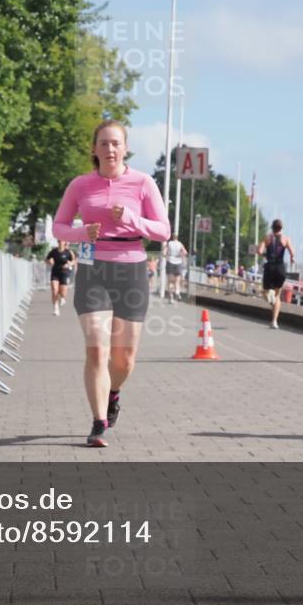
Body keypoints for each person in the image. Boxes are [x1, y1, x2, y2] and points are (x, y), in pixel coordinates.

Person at [53, 120, 171, 447]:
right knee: (97, 350)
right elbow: (59, 228)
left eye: (116, 143)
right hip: (93, 270)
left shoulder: (143, 183)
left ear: (126, 148)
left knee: (124, 359)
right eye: (103, 143)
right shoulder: (80, 185)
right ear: (94, 149)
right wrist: (81, 233)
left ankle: (113, 393)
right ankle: (98, 422)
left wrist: (131, 219)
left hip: (131, 270)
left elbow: (163, 231)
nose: (110, 149)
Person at [258, 219, 296, 329]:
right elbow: (292, 253)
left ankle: (270, 297)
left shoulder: (267, 238)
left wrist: (266, 254)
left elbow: (260, 251)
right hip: (280, 268)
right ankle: (274, 321)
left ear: (272, 227)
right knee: (277, 296)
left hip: (270, 267)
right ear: (281, 228)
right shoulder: (286, 239)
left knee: (266, 292)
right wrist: (292, 258)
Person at [45, 241, 76, 316]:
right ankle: (56, 308)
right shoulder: (54, 251)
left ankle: (62, 297)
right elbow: (46, 259)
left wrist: (69, 264)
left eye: (61, 241)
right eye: (59, 241)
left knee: (63, 293)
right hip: (55, 272)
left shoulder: (68, 252)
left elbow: (74, 261)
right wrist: (49, 262)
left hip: (64, 273)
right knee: (54, 289)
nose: (60, 242)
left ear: (64, 242)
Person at [164, 233, 188, 302]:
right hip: (178, 262)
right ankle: (177, 292)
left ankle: (171, 297)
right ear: (177, 238)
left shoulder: (169, 243)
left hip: (170, 261)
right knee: (177, 281)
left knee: (170, 281)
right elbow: (185, 252)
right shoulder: (180, 244)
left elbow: (164, 252)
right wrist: (180, 255)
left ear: (172, 237)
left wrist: (167, 257)